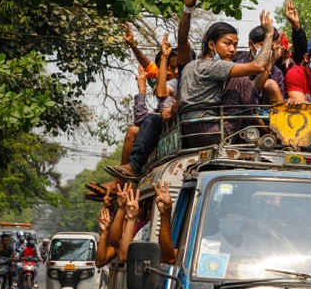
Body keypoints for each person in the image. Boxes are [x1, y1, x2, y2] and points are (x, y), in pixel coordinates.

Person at [178, 12, 278, 148]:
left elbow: (178, 102)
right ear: (211, 45)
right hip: (213, 133)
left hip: (191, 135)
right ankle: (261, 131)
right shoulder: (216, 66)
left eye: (235, 45)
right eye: (227, 43)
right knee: (241, 80)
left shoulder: (190, 66)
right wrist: (269, 35)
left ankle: (258, 126)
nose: (232, 50)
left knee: (241, 81)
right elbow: (258, 67)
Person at [107, 33, 178, 180]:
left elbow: (161, 93)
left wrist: (142, 91)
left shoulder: (176, 81)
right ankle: (120, 182)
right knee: (134, 130)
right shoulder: (165, 78)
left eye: (175, 67)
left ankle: (129, 172)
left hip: (170, 126)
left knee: (145, 123)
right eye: (168, 68)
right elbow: (147, 64)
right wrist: (132, 45)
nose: (173, 72)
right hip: (160, 124)